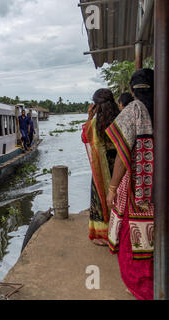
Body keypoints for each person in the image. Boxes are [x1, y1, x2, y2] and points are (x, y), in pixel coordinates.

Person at [105, 68, 154, 300]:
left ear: (133, 91)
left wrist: (113, 188)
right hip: (160, 183)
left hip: (140, 186)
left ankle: (141, 288)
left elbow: (122, 157)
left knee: (132, 239)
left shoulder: (135, 109)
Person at [82, 88, 120, 246]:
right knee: (119, 197)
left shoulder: (95, 123)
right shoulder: (120, 119)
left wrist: (90, 116)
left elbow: (85, 137)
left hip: (101, 168)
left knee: (100, 198)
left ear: (96, 105)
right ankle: (119, 233)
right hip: (119, 165)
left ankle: (103, 235)